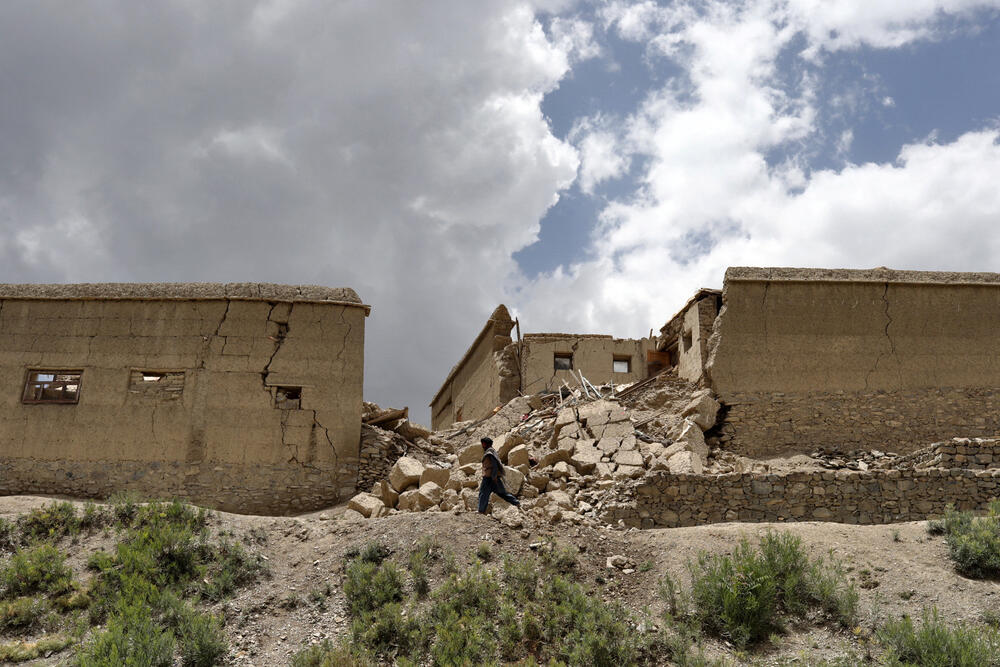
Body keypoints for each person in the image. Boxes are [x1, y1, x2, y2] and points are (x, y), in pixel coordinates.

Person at [478, 436, 520, 514]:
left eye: (483, 444)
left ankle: (481, 511)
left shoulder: (489, 453)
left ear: (485, 444)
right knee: (502, 493)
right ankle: (516, 502)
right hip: (494, 477)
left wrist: (493, 476)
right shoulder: (492, 451)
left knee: (483, 493)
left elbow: (494, 465)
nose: (482, 445)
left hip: (489, 478)